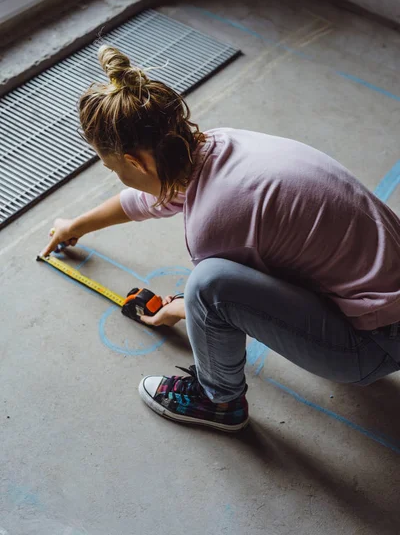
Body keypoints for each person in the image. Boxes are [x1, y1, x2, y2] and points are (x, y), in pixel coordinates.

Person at [42, 45, 400, 432]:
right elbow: (150, 197)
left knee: (208, 283)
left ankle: (218, 401)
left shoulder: (212, 224)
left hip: (375, 347)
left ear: (134, 161)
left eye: (113, 168)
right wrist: (76, 225)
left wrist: (174, 309)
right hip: (386, 305)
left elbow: (216, 301)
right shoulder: (216, 146)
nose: (117, 175)